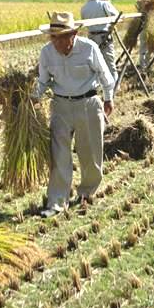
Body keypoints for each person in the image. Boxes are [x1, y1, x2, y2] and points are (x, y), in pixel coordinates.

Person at [35, 11, 115, 217]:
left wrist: (108, 98)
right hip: (60, 106)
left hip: (88, 103)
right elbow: (43, 81)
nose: (56, 42)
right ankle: (57, 202)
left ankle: (87, 192)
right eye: (53, 37)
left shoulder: (89, 48)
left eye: (60, 37)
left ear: (73, 35)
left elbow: (106, 76)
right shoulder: (47, 52)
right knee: (59, 154)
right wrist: (31, 98)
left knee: (90, 153)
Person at [80, 0, 120, 81]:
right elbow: (118, 16)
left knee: (95, 64)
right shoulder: (104, 4)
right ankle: (113, 88)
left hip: (91, 38)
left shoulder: (83, 8)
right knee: (110, 64)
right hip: (104, 37)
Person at [136, 0, 154, 69]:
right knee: (143, 45)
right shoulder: (141, 0)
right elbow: (141, 8)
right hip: (144, 25)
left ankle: (148, 63)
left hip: (153, 27)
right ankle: (142, 64)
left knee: (152, 45)